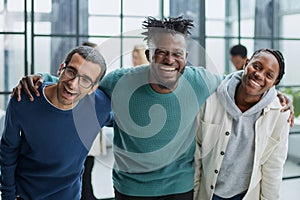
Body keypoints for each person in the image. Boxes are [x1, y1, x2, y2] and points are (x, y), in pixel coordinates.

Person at [10, 16, 294, 200]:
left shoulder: (202, 81)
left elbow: (242, 84)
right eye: (161, 52)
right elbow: (83, 82)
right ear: (148, 55)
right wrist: (42, 79)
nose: (169, 60)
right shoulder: (119, 82)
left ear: (186, 57)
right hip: (129, 190)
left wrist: (277, 98)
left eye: (177, 54)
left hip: (180, 189)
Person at [0, 46, 113, 199]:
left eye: (85, 80)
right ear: (61, 69)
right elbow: (8, 150)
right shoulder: (24, 99)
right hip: (25, 195)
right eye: (71, 71)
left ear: (93, 88)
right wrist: (8, 196)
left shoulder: (100, 107)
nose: (73, 84)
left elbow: (130, 122)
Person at [194, 49, 290, 200]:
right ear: (246, 64)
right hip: (209, 193)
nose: (259, 75)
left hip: (245, 195)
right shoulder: (211, 99)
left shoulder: (279, 114)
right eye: (257, 66)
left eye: (269, 75)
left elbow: (273, 167)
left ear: (275, 83)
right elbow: (197, 155)